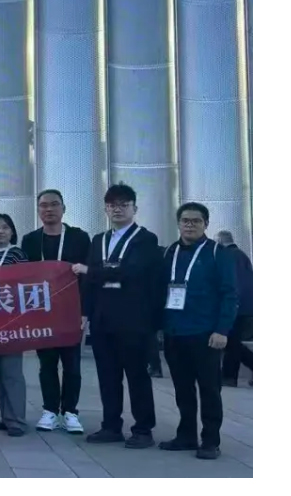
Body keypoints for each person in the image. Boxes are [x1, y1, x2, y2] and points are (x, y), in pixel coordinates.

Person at [74, 183, 163, 449]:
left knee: (137, 376)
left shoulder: (145, 239)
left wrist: (90, 271)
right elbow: (89, 284)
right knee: (107, 377)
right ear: (105, 208)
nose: (118, 209)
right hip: (103, 319)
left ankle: (143, 429)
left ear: (135, 208)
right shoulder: (99, 240)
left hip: (134, 319)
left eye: (124, 204)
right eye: (112, 205)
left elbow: (131, 273)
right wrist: (84, 312)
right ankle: (111, 426)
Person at [158, 203, 237, 460]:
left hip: (206, 334)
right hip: (174, 332)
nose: (190, 225)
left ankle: (211, 441)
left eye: (196, 221)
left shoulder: (217, 253)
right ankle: (186, 436)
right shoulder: (169, 252)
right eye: (185, 220)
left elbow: (230, 294)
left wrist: (222, 330)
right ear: (178, 223)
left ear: (206, 224)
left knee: (209, 389)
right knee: (182, 389)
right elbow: (160, 290)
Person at [20, 189, 91, 434]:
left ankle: (70, 412)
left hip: (72, 311)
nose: (49, 209)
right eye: (43, 205)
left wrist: (85, 311)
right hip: (43, 312)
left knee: (72, 364)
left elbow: (88, 276)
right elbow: (23, 278)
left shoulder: (79, 238)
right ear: (38, 210)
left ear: (63, 208)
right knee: (47, 364)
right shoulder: (30, 240)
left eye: (54, 204)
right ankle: (50, 410)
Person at [0, 213, 30, 437]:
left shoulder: (17, 254)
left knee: (11, 372)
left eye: (5, 227)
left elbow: (26, 284)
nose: (0, 231)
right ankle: (6, 416)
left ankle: (17, 421)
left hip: (11, 321)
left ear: (12, 231)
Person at [217, 230, 253, 387]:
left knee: (231, 342)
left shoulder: (228, 256)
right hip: (246, 306)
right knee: (233, 341)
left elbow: (232, 284)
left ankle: (229, 376)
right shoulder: (242, 255)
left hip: (236, 306)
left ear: (220, 241)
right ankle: (229, 376)